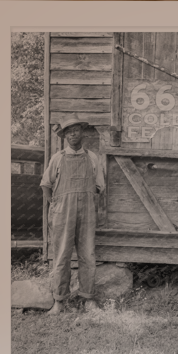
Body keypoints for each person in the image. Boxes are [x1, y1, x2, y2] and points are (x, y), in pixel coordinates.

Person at [41, 117, 106, 313]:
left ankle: (88, 299)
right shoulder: (58, 158)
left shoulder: (93, 157)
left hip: (86, 213)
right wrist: (55, 204)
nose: (73, 134)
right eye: (68, 132)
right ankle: (59, 301)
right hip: (62, 213)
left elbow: (99, 187)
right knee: (61, 256)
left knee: (87, 255)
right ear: (64, 136)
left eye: (76, 130)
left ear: (82, 133)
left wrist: (87, 202)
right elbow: (46, 185)